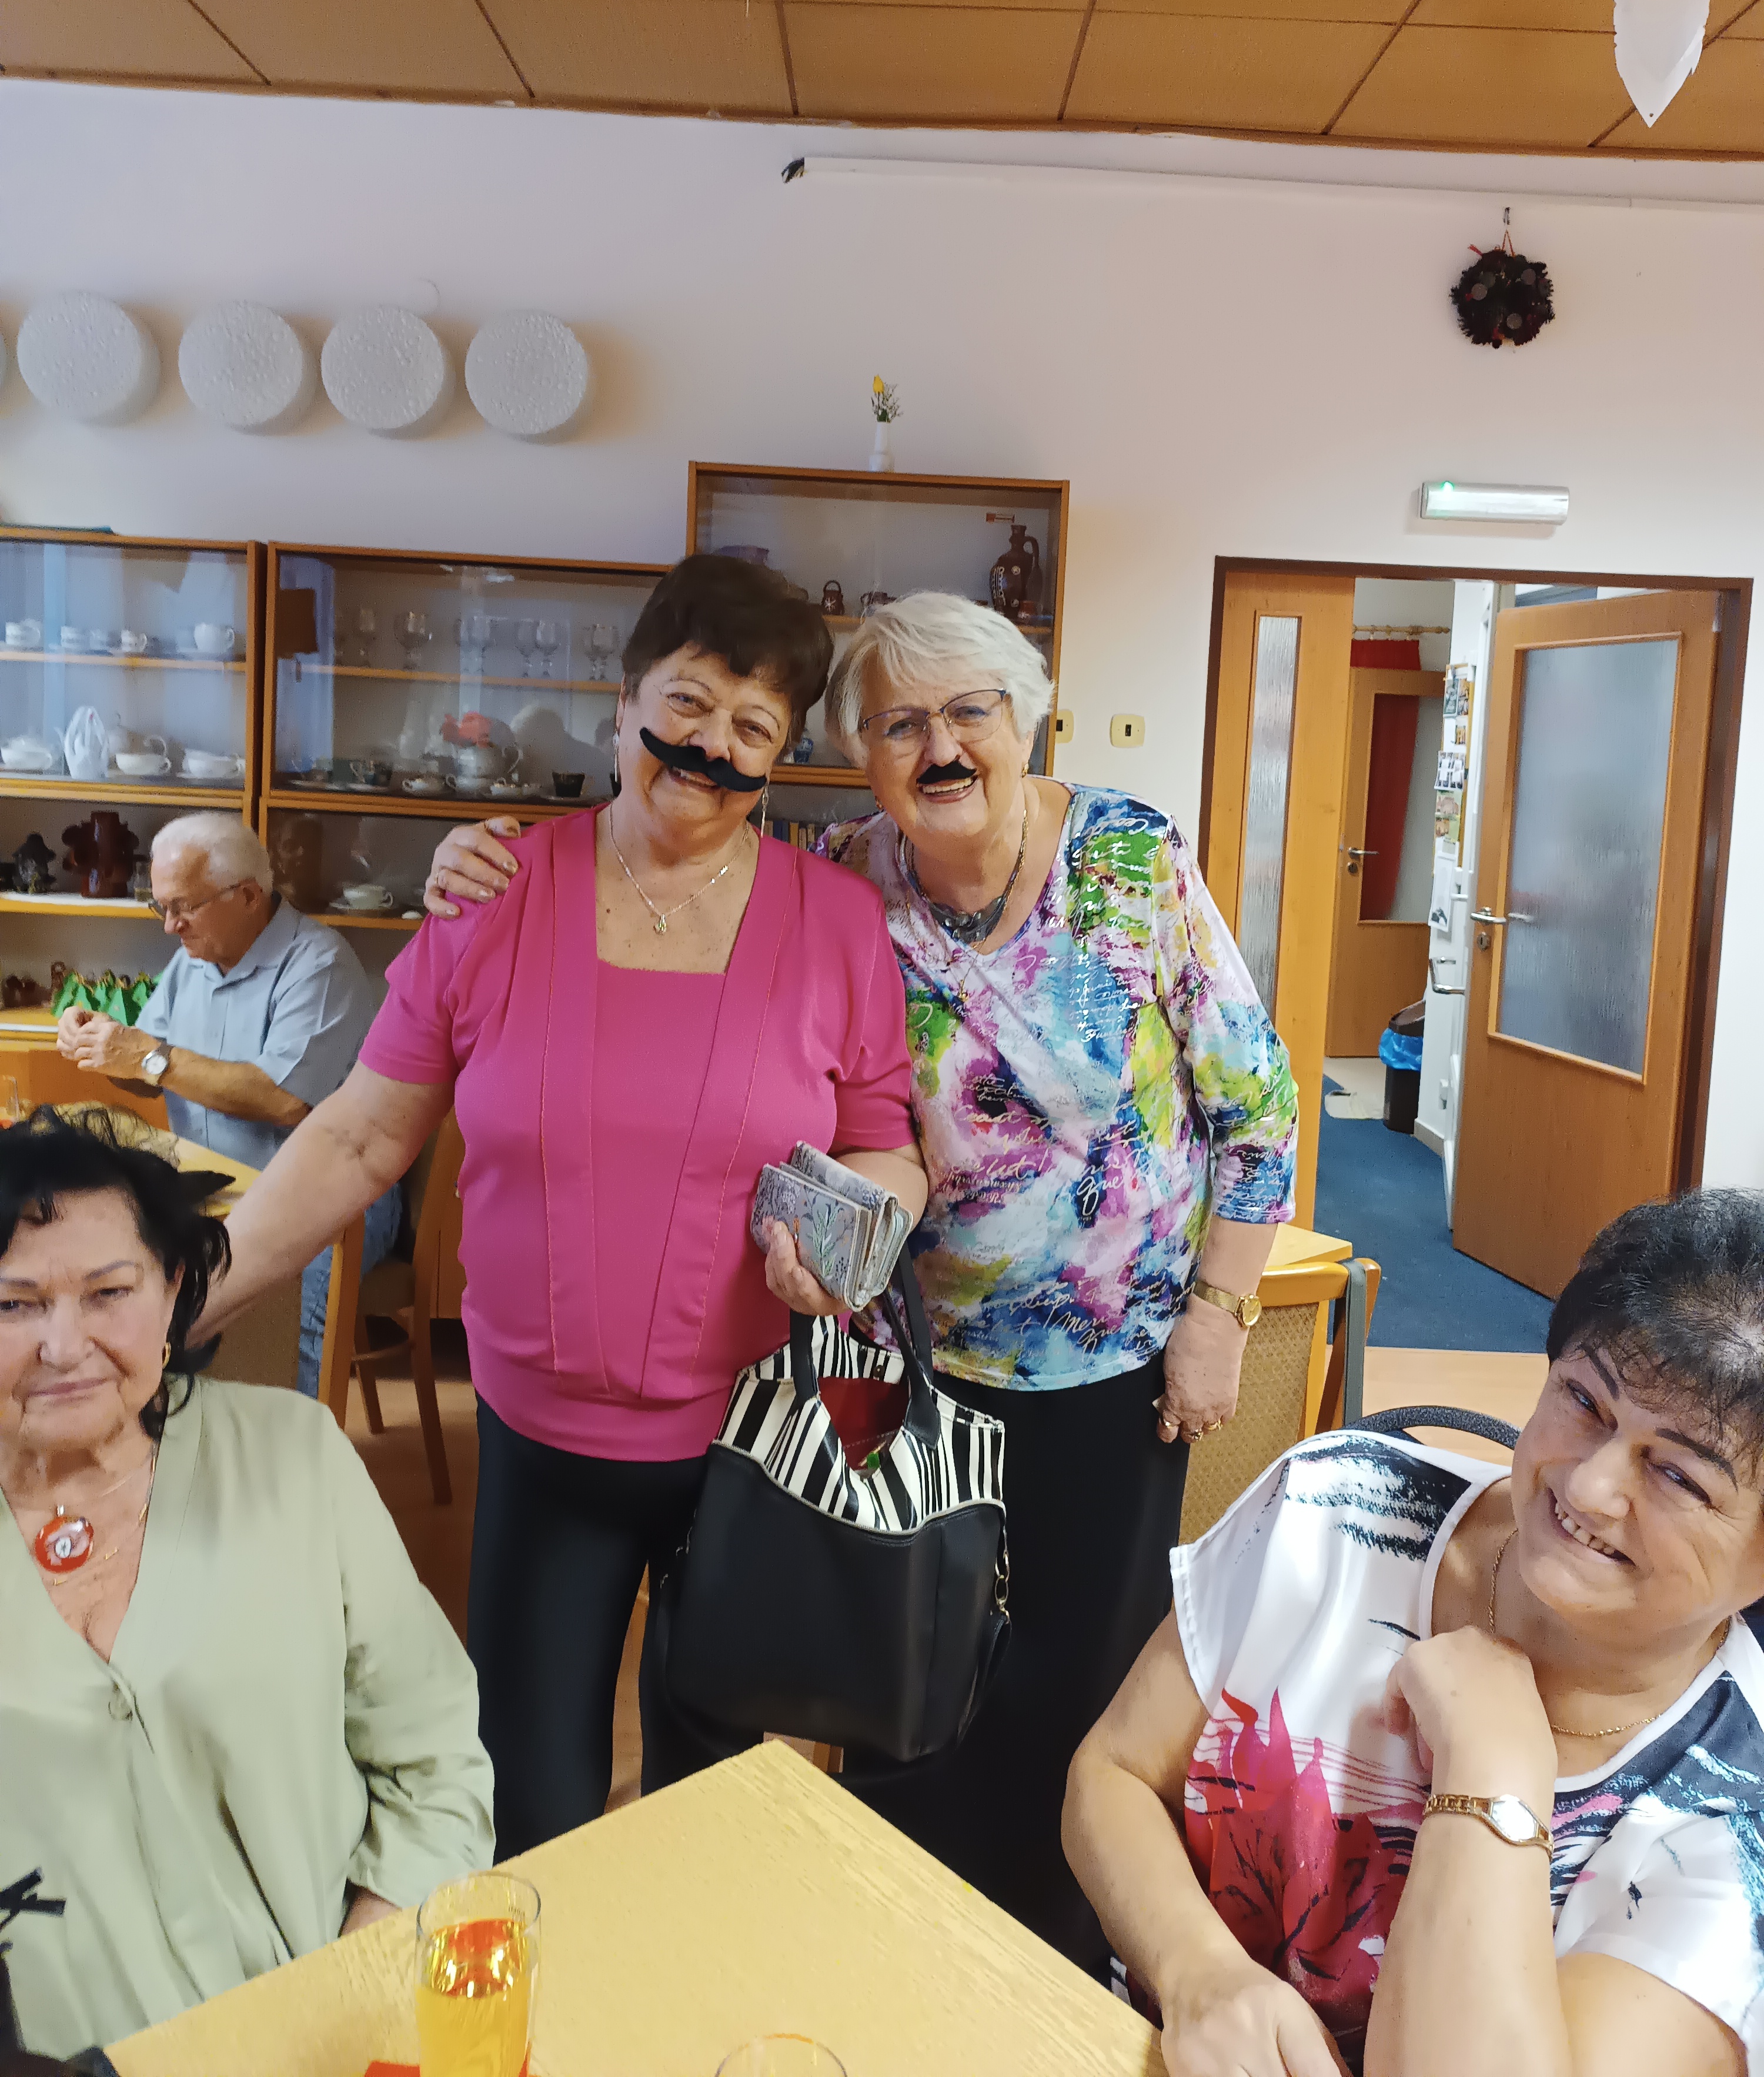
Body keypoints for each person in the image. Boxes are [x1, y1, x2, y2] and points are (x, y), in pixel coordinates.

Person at [423, 588, 1297, 1962]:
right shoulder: (840, 875)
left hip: (1105, 1364)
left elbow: (1258, 1110)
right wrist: (482, 856)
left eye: (968, 713)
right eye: (898, 724)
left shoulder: (1129, 860)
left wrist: (1220, 1315)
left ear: (1025, 720)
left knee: (1068, 1684)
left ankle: (1047, 1970)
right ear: (853, 756)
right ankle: (897, 1953)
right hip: (896, 1355)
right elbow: (684, 875)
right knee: (899, 1670)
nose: (938, 746)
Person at [204, 556, 926, 1857]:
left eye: (753, 726)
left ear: (780, 756)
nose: (710, 747)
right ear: (623, 702)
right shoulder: (494, 894)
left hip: (749, 1447)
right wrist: (186, 1292)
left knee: (711, 1820)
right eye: (688, 702)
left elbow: (885, 1143)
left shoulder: (837, 922)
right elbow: (362, 1133)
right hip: (542, 1442)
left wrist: (852, 1236)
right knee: (528, 1808)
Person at [1063, 1188, 1764, 2077]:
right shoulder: (1332, 1510)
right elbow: (1113, 1774)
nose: (1589, 1488)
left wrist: (1492, 1768)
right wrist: (1197, 1971)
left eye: (1679, 1476)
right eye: (1585, 1401)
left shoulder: (1732, 1824)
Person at [0, 1112, 491, 2060]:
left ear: (174, 1290)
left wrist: (357, 1986)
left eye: (109, 1292)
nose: (64, 1344)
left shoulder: (293, 1459)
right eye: (15, 1305)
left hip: (335, 2037)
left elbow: (435, 1759)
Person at [55, 813, 396, 1398]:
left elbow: (283, 1099)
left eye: (184, 907)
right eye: (160, 907)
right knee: (119, 1286)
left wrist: (146, 1055)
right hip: (216, 1191)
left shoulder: (318, 964)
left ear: (248, 895)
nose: (170, 925)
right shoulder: (192, 959)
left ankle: (291, 1450)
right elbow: (150, 1073)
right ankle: (177, 1436)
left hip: (325, 1199)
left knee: (291, 1332)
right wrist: (105, 1046)